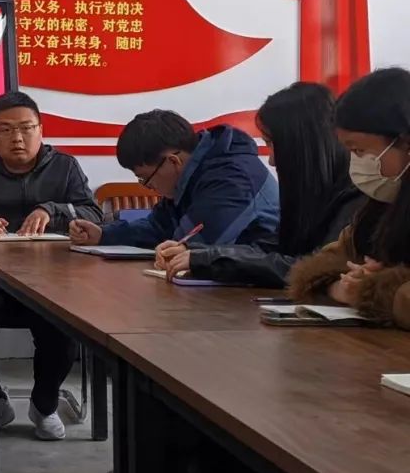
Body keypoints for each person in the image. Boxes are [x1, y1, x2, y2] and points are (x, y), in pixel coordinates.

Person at [0, 92, 101, 440]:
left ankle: (44, 405)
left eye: (26, 128)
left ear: (41, 130)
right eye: (6, 129)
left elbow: (93, 213)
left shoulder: (65, 167)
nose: (17, 137)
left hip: (54, 278)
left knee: (66, 327)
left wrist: (52, 209)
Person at [157, 83, 363, 287]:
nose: (271, 161)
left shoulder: (356, 196)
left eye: (272, 144)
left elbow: (314, 269)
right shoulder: (310, 193)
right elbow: (269, 248)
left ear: (302, 145)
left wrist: (207, 260)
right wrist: (197, 253)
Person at [288, 68, 410, 329]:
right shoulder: (379, 204)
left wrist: (371, 291)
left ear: (404, 142)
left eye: (360, 150)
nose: (356, 162)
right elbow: (327, 262)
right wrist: (343, 286)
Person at [69, 109, 279, 251]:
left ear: (172, 161)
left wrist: (176, 249)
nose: (149, 187)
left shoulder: (233, 178)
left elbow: (189, 246)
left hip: (258, 293)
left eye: (145, 178)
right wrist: (103, 235)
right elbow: (158, 227)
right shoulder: (193, 172)